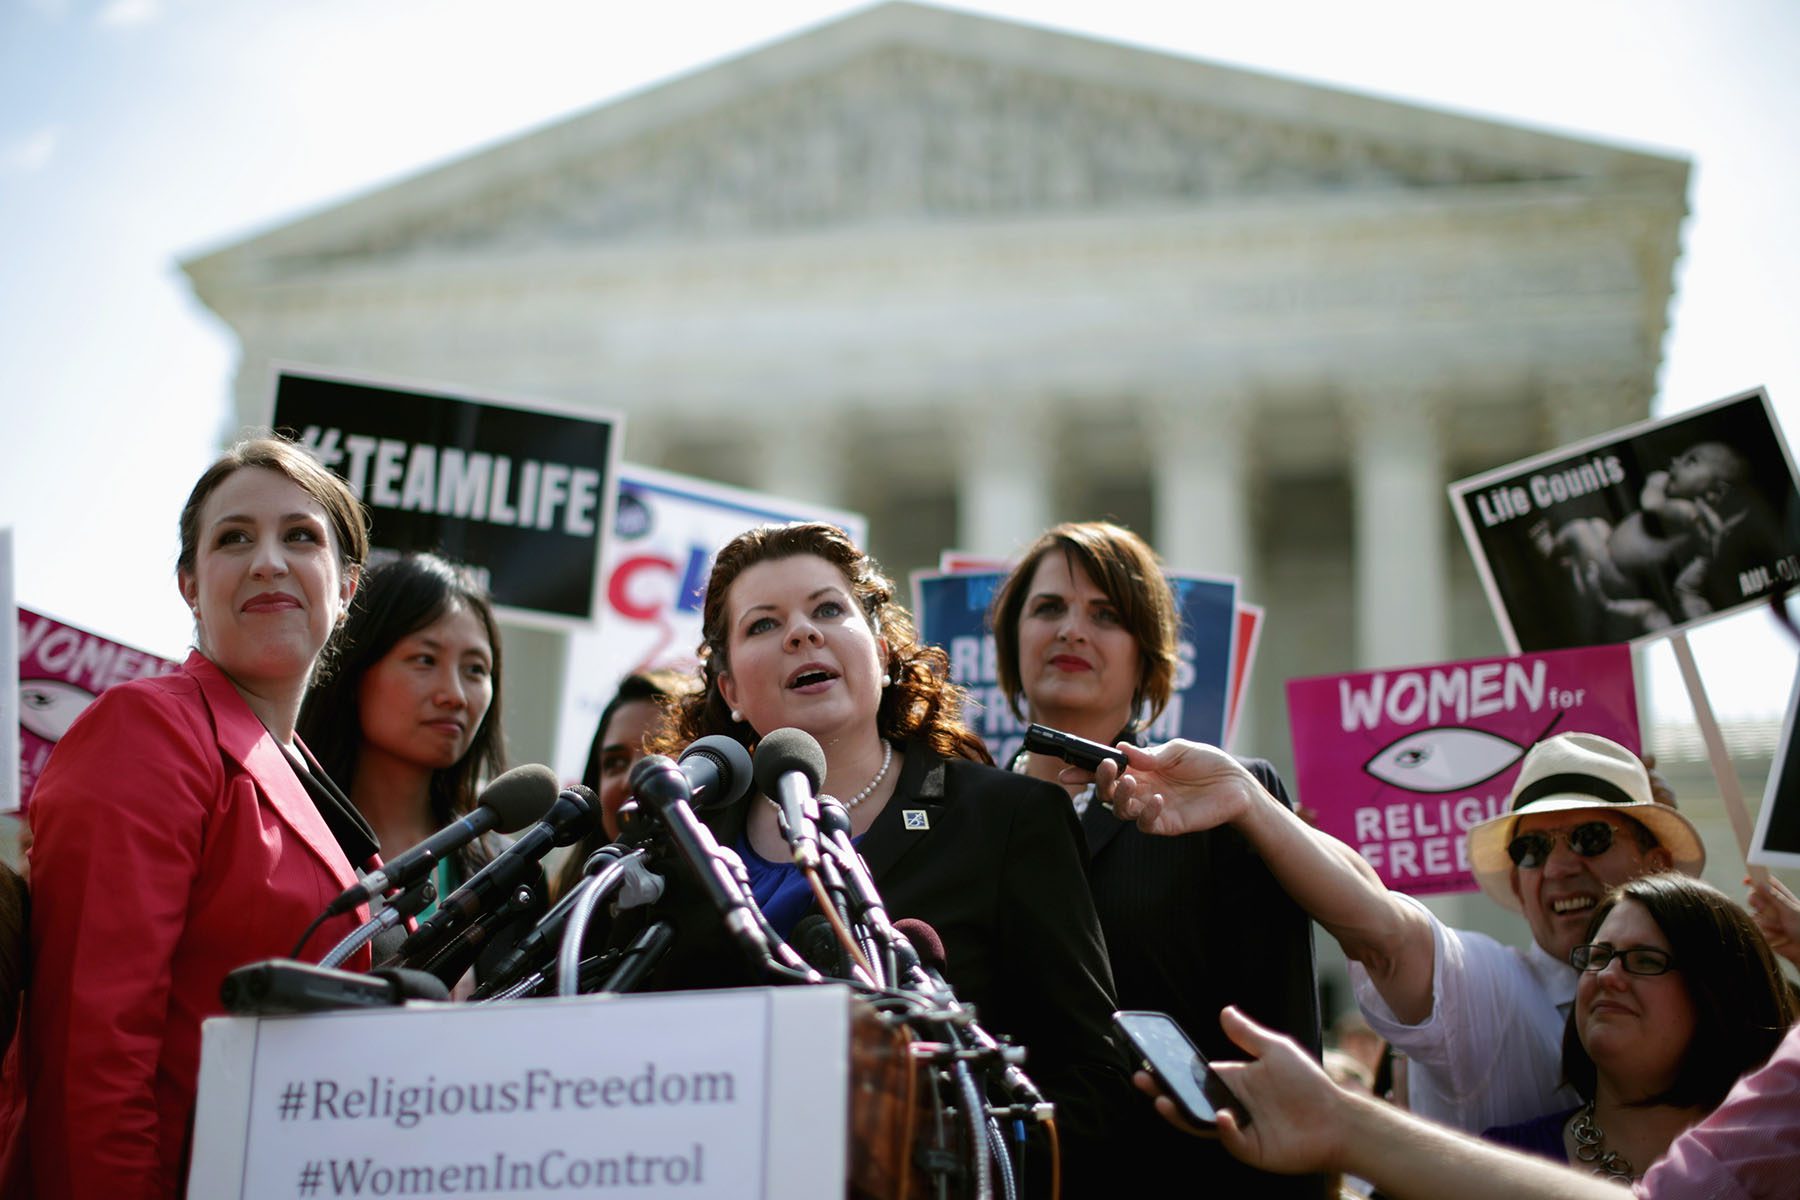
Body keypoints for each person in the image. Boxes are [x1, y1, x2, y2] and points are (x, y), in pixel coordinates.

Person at [647, 521, 1129, 1190]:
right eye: (763, 625)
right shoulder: (678, 842)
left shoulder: (1007, 820)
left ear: (879, 648)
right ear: (729, 690)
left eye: (827, 610)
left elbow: (1090, 1076)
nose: (801, 634)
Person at [13, 435, 375, 1198]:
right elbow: (91, 1044)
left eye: (300, 537)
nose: (268, 560)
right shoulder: (146, 728)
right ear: (190, 583)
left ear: (346, 587)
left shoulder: (314, 779)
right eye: (234, 538)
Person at [1098, 730, 1706, 1134]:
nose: (1559, 866)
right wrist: (1251, 804)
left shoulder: (1726, 1005)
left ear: (1656, 861)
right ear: (1517, 883)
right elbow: (1385, 931)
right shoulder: (1498, 994)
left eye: (1591, 838)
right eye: (1532, 848)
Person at [987, 520, 1324, 1195]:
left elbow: (1282, 1052)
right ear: (1009, 644)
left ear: (1149, 656)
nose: (1072, 631)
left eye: (1106, 614)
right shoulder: (963, 814)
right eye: (1049, 607)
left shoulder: (1230, 801)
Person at [1482, 874, 1794, 1180]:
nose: (1606, 975)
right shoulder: (1500, 1163)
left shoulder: (1782, 1165)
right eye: (1598, 956)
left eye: (1645, 960)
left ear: (1719, 996)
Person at [298, 552, 507, 927]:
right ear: (354, 670)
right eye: (425, 660)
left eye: (475, 669)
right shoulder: (286, 839)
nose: (455, 695)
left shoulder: (507, 872)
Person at [553, 669, 695, 902]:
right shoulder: (563, 919)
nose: (632, 778)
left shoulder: (752, 903)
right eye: (615, 762)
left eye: (659, 753)